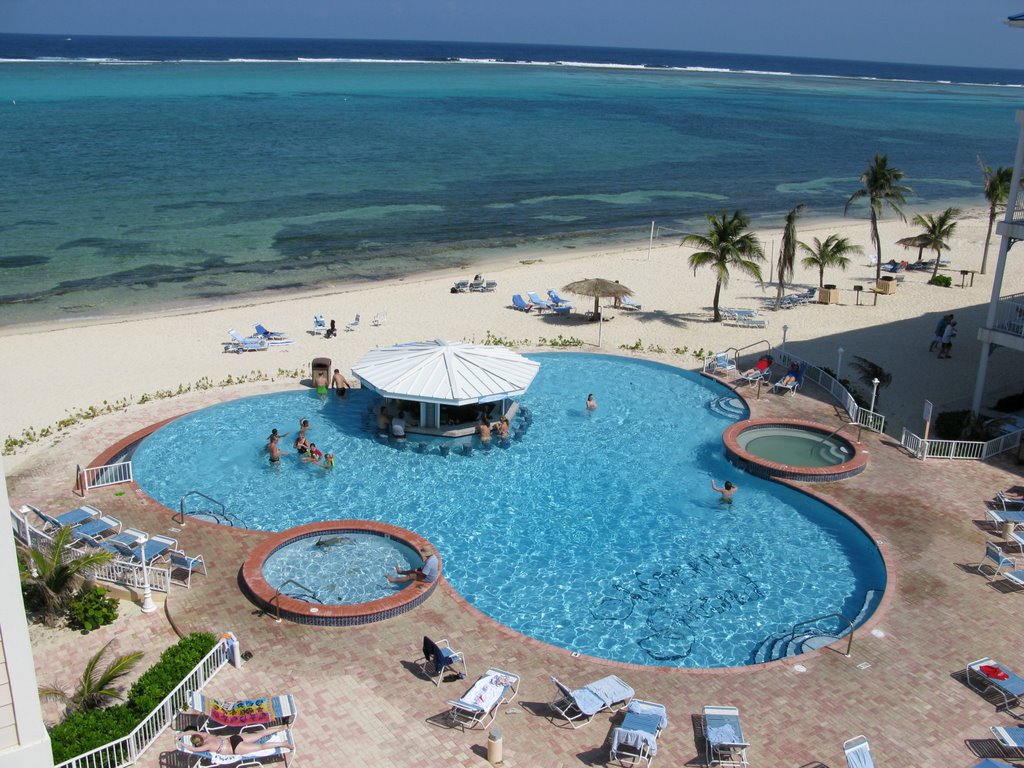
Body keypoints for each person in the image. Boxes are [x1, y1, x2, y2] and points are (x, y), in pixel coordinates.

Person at [179, 726, 293, 757]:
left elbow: (193, 749)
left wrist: (180, 743)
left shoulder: (206, 745)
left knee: (260, 747)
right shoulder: (207, 736)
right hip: (233, 738)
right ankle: (281, 728)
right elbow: (192, 731)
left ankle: (283, 744)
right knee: (260, 734)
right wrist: (182, 734)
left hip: (234, 748)